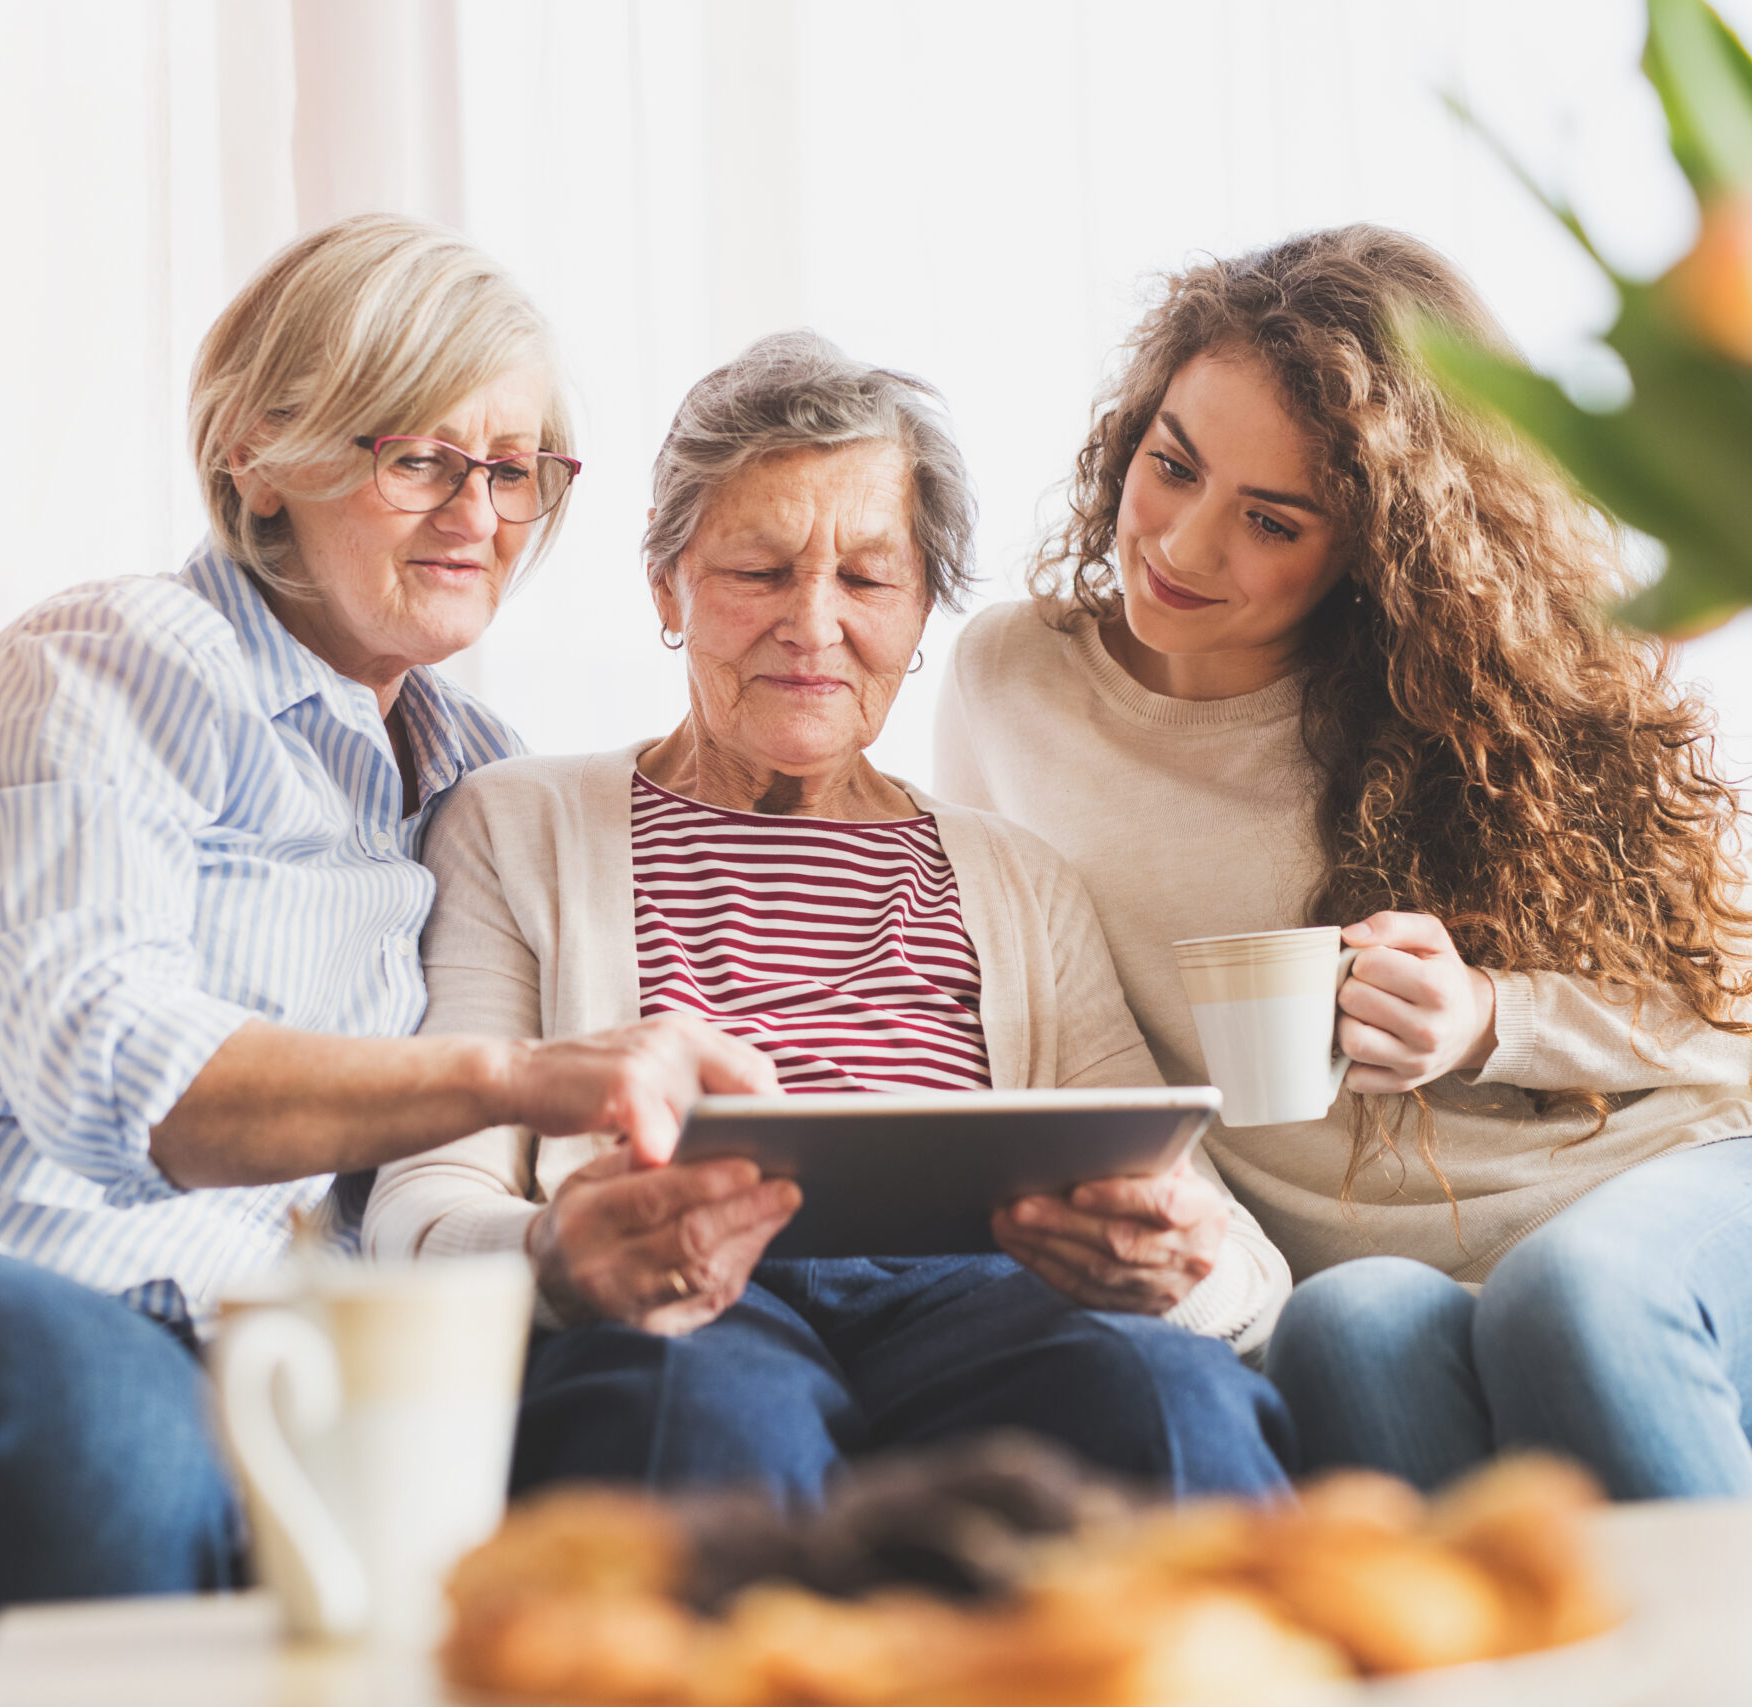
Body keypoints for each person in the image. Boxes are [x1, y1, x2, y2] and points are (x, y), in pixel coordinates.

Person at [0, 216, 777, 1707]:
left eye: (515, 468)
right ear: (263, 455)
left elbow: (434, 1195)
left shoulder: (481, 783)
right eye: (422, 457)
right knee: (100, 1423)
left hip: (193, 1349)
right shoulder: (113, 656)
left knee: (619, 1435)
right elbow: (114, 1071)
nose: (479, 512)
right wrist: (519, 1074)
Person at [933, 226, 1752, 1501]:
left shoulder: (1487, 693)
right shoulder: (1009, 685)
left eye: (1271, 522)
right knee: (1338, 1337)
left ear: (1374, 544)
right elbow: (1008, 1010)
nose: (1180, 546)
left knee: (1567, 1300)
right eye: (1169, 466)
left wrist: (1484, 1020)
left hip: (1697, 1190)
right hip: (1379, 1269)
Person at [367, 331, 1295, 1503]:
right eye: (759, 572)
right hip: (690, 1306)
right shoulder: (517, 824)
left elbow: (1229, 1249)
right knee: (695, 1420)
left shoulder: (1017, 877)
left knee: (1170, 1403)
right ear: (669, 584)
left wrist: (1180, 1267)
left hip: (983, 1297)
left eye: (866, 579)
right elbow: (419, 1204)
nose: (813, 624)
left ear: (919, 616)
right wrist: (558, 1256)